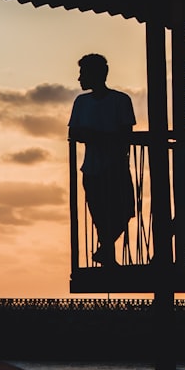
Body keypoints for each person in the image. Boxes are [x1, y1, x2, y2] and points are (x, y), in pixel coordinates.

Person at [68, 53, 135, 267]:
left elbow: (126, 134)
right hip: (92, 169)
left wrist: (95, 136)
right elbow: (74, 133)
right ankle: (107, 253)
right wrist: (102, 136)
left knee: (125, 211)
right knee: (100, 216)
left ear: (97, 74)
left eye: (83, 73)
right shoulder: (81, 102)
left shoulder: (120, 100)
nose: (79, 78)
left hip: (115, 166)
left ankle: (105, 251)